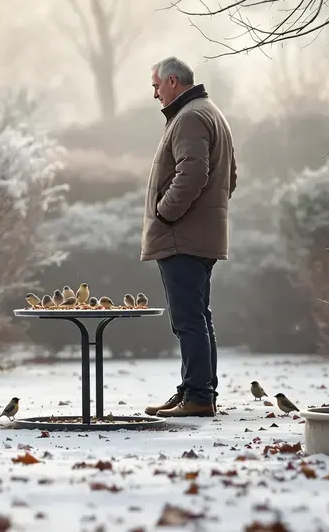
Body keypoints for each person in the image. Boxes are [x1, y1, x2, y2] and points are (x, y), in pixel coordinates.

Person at [140, 57, 236, 418]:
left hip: (183, 237)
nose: (154, 94)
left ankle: (197, 396)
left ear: (173, 81)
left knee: (189, 320)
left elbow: (194, 172)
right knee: (198, 317)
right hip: (200, 235)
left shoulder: (191, 117)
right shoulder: (209, 111)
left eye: (156, 86)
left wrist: (166, 213)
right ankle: (195, 391)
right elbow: (231, 177)